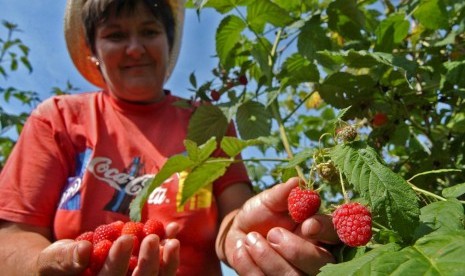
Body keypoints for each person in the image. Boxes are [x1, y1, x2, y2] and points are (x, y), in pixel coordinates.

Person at [0, 0, 339, 275]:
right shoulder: (58, 118)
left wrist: (245, 234)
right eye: (115, 36)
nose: (135, 49)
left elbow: (231, 220)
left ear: (168, 41)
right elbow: (11, 238)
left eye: (149, 31)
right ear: (93, 51)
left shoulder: (209, 121)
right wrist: (43, 264)